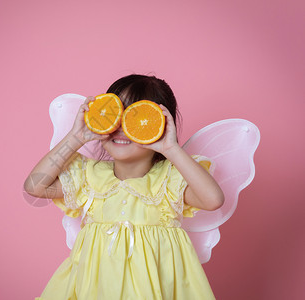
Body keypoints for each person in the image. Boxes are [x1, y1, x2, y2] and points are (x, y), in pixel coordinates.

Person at [24, 74, 225, 299]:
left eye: (136, 119)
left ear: (160, 124)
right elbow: (35, 186)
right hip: (94, 290)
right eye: (114, 115)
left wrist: (171, 148)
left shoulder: (169, 181)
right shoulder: (89, 177)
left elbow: (213, 199)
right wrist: (76, 137)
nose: (120, 128)